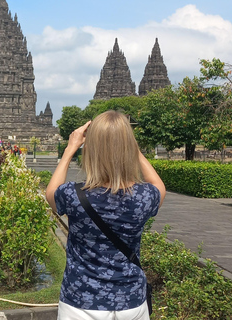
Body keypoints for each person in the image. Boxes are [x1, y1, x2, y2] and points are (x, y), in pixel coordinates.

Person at [46, 110, 166, 320]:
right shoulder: (144, 196)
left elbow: (51, 193)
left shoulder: (73, 194)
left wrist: (70, 148)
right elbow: (159, 186)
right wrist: (130, 145)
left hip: (81, 302)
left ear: (90, 150)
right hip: (131, 302)